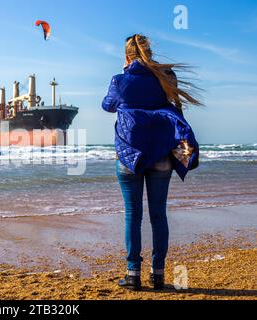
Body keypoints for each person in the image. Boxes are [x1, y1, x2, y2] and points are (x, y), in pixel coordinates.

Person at [102, 34, 202, 291]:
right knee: (158, 215)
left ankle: (133, 274)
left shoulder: (119, 80)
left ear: (126, 57)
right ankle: (158, 275)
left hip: (129, 155)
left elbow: (107, 106)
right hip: (160, 154)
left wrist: (125, 75)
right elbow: (174, 104)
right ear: (150, 53)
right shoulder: (165, 76)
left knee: (132, 216)